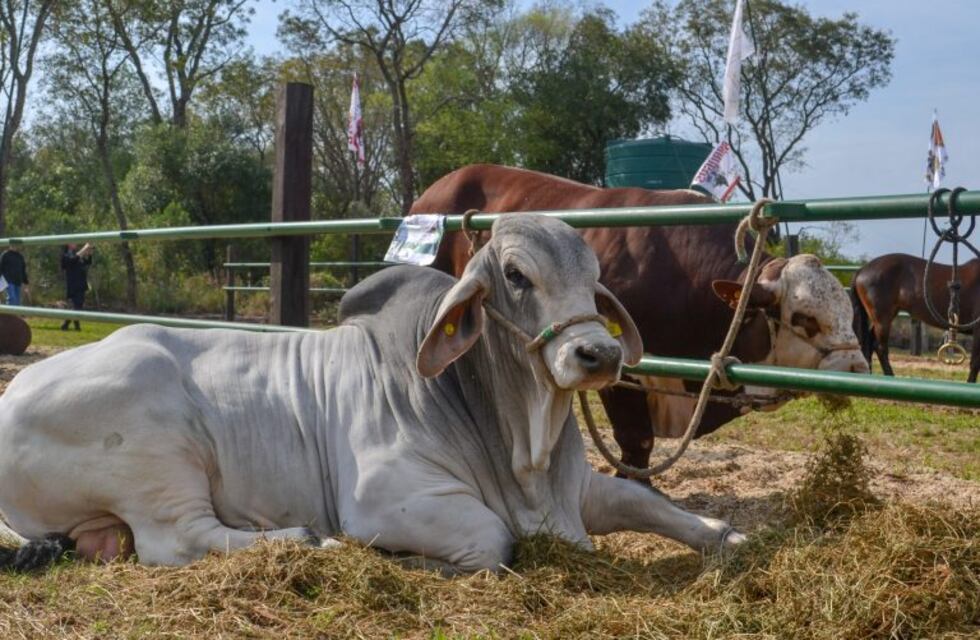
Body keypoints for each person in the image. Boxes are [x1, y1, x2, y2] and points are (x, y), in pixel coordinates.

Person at [60, 243, 94, 331]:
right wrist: (84, 249)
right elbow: (73, 260)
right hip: (73, 284)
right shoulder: (66, 256)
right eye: (73, 242)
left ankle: (71, 324)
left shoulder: (76, 254)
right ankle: (69, 324)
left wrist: (89, 253)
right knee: (77, 305)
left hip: (81, 284)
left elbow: (87, 262)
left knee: (78, 305)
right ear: (69, 244)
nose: (76, 244)